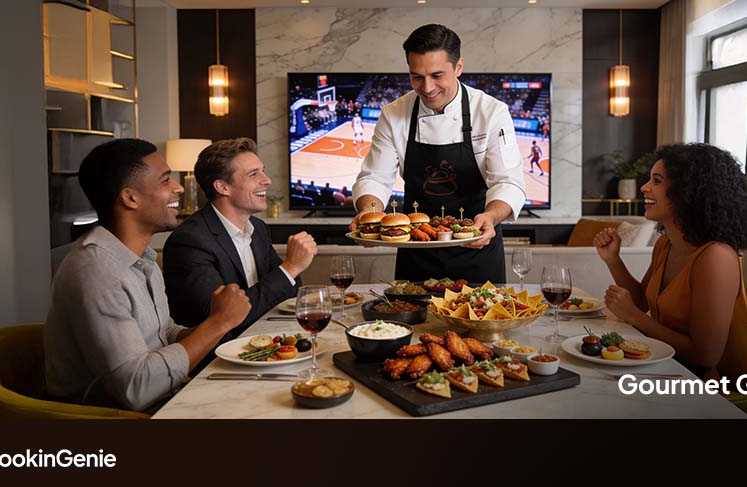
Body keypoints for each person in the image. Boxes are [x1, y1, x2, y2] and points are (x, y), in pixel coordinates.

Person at [44, 139, 252, 413]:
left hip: (166, 400)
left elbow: (163, 332)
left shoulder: (144, 258)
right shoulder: (96, 271)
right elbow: (137, 388)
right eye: (166, 180)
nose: (179, 187)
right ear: (130, 197)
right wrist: (218, 322)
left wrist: (217, 329)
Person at [349, 24, 526, 283]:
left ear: (459, 67)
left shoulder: (491, 112)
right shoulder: (393, 114)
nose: (427, 87)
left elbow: (507, 181)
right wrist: (369, 212)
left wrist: (490, 216)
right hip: (417, 253)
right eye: (417, 77)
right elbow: (375, 177)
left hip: (476, 249)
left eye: (437, 75)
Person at [593, 143, 747, 381]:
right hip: (665, 369)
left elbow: (705, 356)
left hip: (711, 391)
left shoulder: (716, 257)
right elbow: (639, 302)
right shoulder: (666, 244)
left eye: (656, 181)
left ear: (688, 191)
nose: (644, 187)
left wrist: (635, 318)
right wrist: (613, 259)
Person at [162, 138, 317, 372]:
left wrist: (289, 271)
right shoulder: (190, 241)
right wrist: (290, 268)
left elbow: (288, 292)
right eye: (254, 174)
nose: (267, 180)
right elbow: (222, 322)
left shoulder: (259, 228)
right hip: (215, 366)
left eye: (262, 171)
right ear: (222, 187)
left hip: (263, 351)